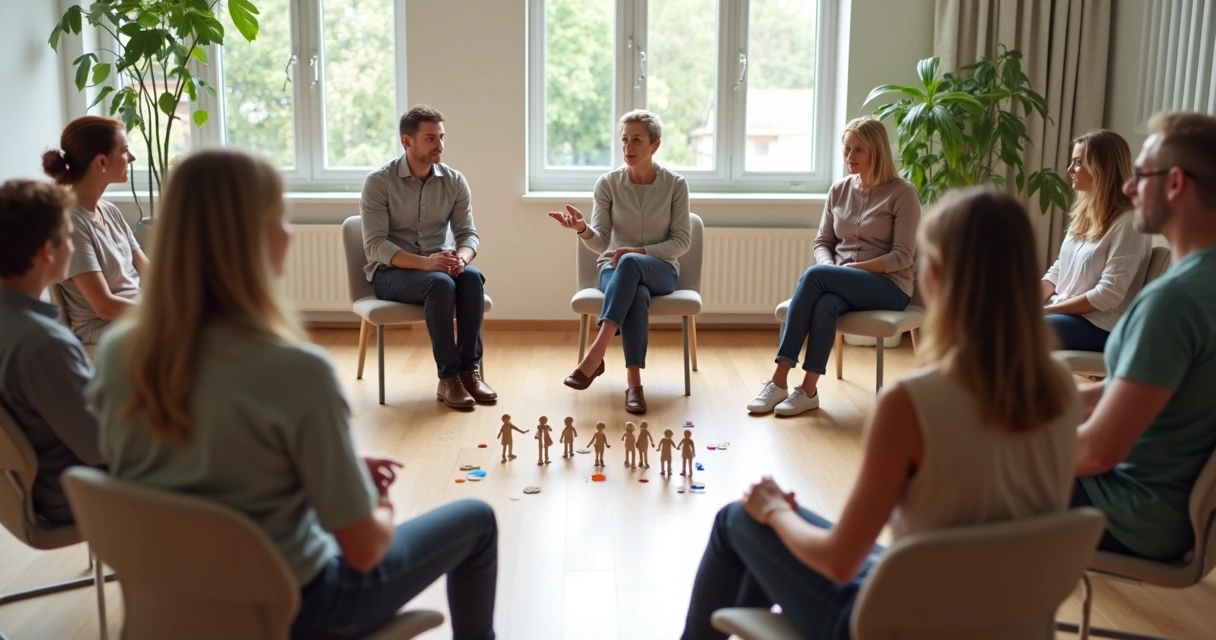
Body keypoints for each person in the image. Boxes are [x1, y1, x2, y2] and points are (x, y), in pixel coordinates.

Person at [88, 148, 498, 640]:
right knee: (477, 519)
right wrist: (374, 500)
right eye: (279, 216)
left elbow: (192, 472)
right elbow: (365, 550)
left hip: (172, 602)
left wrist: (316, 474)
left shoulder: (117, 352)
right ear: (252, 237)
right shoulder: (296, 371)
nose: (290, 233)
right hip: (301, 606)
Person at [682, 187, 1079, 640]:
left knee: (739, 519)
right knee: (772, 541)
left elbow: (838, 560)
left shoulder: (912, 403)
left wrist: (774, 510)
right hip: (1005, 620)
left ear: (931, 278)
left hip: (898, 624)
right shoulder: (1060, 390)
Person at [1071, 112, 1216, 561]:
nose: (1129, 189)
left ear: (1175, 184)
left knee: (945, 468)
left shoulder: (1174, 302)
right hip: (1171, 511)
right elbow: (1124, 392)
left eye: (1140, 176)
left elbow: (1095, 454)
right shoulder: (1200, 286)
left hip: (1130, 512)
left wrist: (1001, 449)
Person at [748, 116, 920, 417]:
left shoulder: (902, 193)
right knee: (825, 300)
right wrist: (830, 268)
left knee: (817, 277)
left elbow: (902, 257)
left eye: (858, 150)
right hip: (840, 282)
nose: (849, 157)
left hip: (890, 287)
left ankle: (778, 380)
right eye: (846, 149)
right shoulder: (839, 190)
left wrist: (845, 272)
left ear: (877, 151)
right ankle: (809, 391)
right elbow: (822, 242)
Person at [549, 109, 691, 414]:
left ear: (655, 146)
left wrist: (638, 251)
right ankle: (634, 385)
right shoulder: (608, 184)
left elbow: (682, 242)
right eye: (624, 139)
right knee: (634, 289)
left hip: (661, 272)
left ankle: (596, 351)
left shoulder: (675, 185)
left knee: (628, 262)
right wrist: (582, 229)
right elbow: (600, 241)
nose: (628, 146)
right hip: (614, 272)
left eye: (637, 140)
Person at [360, 105, 496, 410]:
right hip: (390, 274)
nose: (440, 145)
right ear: (407, 142)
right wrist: (427, 263)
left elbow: (468, 235)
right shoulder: (379, 182)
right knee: (439, 283)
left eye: (442, 137)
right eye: (430, 138)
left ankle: (468, 372)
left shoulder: (454, 181)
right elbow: (375, 246)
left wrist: (461, 258)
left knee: (472, 277)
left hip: (437, 269)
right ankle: (448, 377)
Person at [0, 179, 104, 524]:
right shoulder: (44, 344)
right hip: (70, 493)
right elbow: (102, 447)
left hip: (17, 492)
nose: (74, 248)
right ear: (47, 251)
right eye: (70, 237)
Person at [41, 115, 146, 347]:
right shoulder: (70, 223)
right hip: (103, 328)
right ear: (101, 161)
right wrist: (163, 314)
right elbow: (104, 306)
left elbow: (149, 270)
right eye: (125, 151)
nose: (132, 158)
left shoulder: (109, 211)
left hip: (136, 314)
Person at [1042, 129, 1151, 351]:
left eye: (1078, 163)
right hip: (1064, 314)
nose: (1070, 170)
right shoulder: (1084, 216)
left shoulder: (1129, 223)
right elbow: (1057, 271)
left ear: (1103, 168)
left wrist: (1047, 310)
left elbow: (1107, 294)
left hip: (1100, 327)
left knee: (1014, 329)